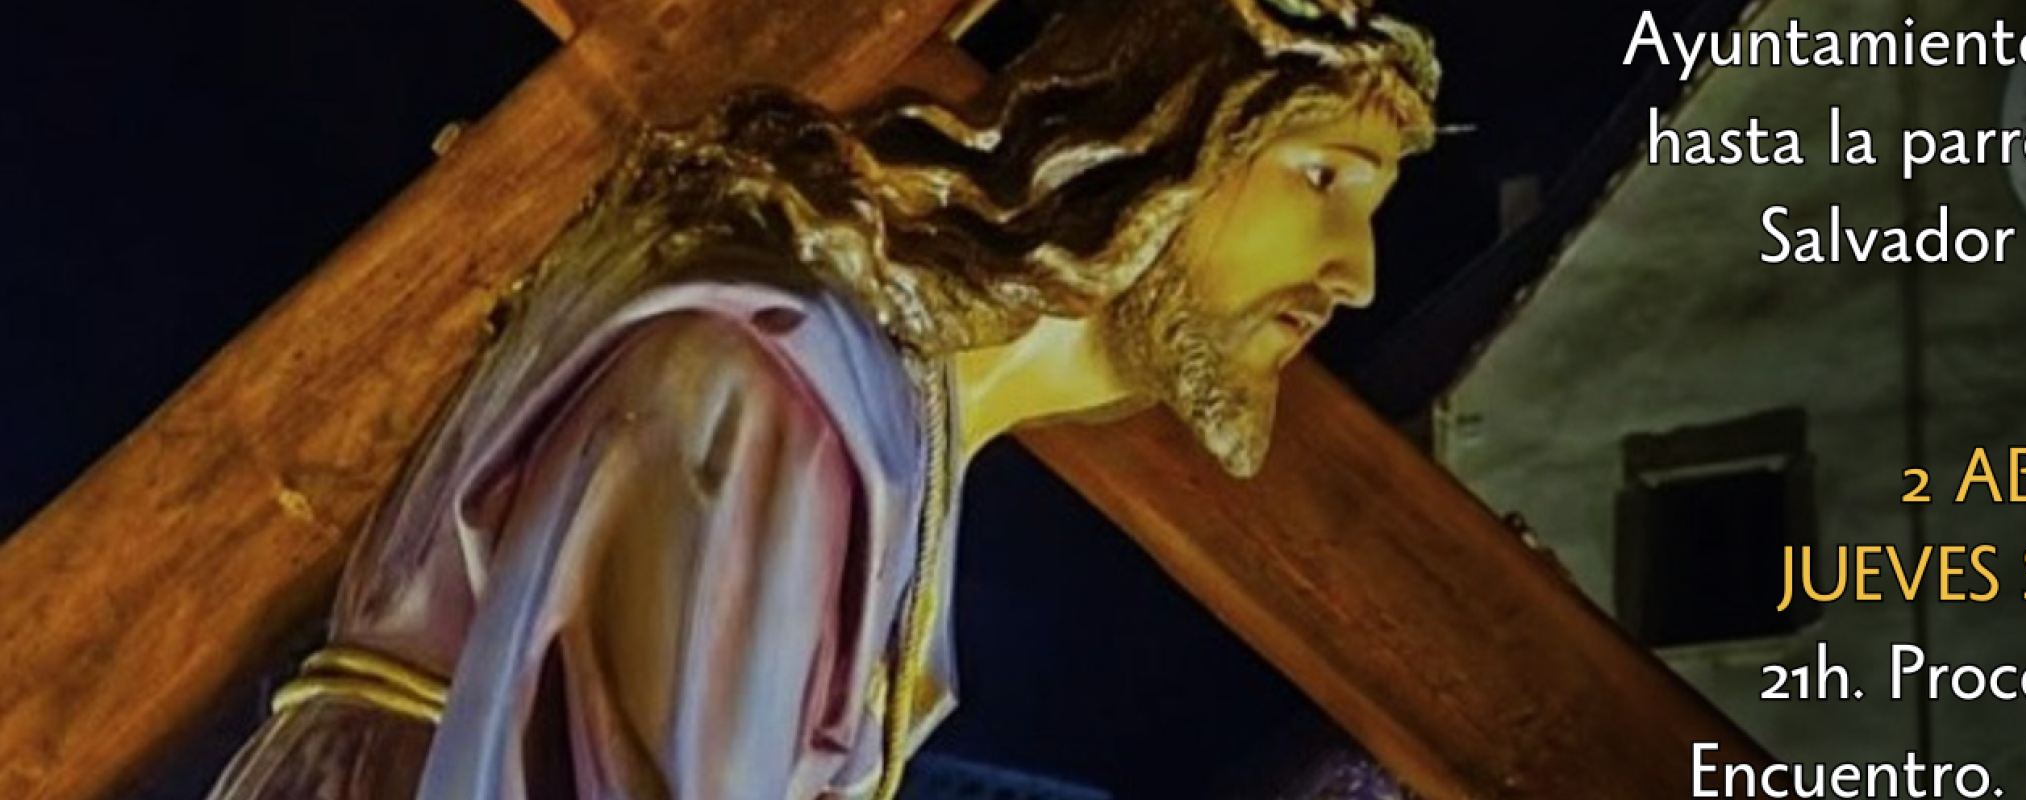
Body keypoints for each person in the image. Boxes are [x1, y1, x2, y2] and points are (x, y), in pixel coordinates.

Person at [203, 0, 1437, 798]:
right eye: (1324, 178)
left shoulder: (882, 424)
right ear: (1155, 139)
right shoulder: (774, 380)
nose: (1357, 273)